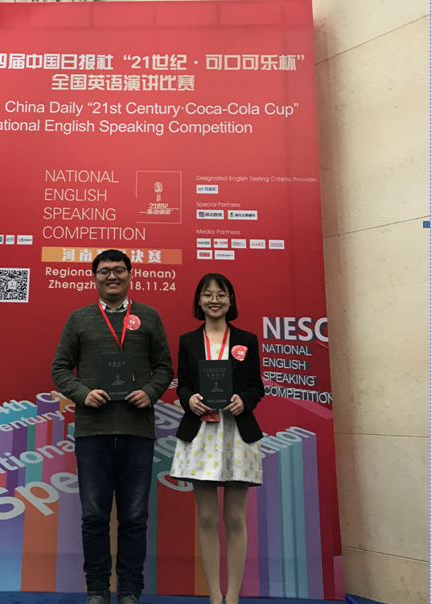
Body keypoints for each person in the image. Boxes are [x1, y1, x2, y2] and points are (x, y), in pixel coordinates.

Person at [52, 249, 174, 604]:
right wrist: (83, 394)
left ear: (130, 275)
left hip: (137, 430)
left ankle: (131, 590)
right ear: (95, 277)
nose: (112, 276)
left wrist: (150, 392)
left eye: (119, 270)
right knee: (94, 516)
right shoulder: (79, 318)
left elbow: (164, 367)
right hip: (93, 432)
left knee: (135, 517)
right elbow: (60, 367)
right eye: (104, 271)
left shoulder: (149, 316)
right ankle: (97, 590)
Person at [171, 273, 264, 604]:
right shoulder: (187, 340)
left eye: (221, 294)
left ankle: (233, 596)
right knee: (208, 518)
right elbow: (182, 384)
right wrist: (189, 399)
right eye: (208, 294)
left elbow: (256, 386)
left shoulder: (247, 339)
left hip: (237, 433)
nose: (214, 300)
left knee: (235, 518)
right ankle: (214, 595)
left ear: (230, 300)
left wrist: (244, 400)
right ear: (199, 300)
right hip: (201, 434)